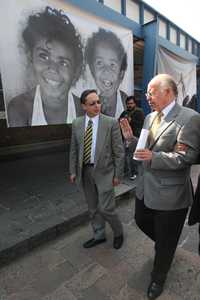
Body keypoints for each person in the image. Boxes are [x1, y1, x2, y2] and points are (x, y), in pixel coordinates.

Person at [133, 74, 199, 300]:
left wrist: (154, 157)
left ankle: (158, 277)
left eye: (151, 91)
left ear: (168, 92)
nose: (147, 96)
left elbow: (185, 157)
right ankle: (166, 247)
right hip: (145, 188)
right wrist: (131, 141)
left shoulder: (189, 117)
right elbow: (143, 148)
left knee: (165, 241)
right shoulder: (150, 117)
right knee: (141, 221)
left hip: (171, 195)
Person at [7, 6, 84, 127]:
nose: (53, 69)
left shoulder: (82, 109)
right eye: (44, 56)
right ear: (31, 58)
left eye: (63, 62)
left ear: (75, 71)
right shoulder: (19, 108)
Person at [69, 89, 124, 249]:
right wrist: (73, 171)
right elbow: (74, 149)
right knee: (92, 208)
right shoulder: (77, 123)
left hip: (105, 172)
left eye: (98, 102)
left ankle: (118, 232)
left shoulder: (110, 122)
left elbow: (119, 151)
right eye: (92, 103)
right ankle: (99, 235)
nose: (97, 106)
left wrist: (118, 175)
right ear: (83, 106)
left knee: (107, 208)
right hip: (85, 171)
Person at [85, 28, 128, 118]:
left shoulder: (127, 101)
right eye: (99, 63)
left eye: (112, 64)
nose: (106, 71)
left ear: (121, 74)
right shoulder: (90, 103)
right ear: (92, 71)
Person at [119, 96, 144, 179]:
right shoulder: (125, 112)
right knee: (124, 155)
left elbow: (141, 123)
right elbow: (119, 120)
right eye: (128, 104)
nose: (129, 105)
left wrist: (131, 120)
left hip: (134, 137)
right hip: (125, 137)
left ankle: (134, 173)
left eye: (131, 103)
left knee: (132, 156)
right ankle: (126, 171)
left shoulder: (139, 112)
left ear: (135, 103)